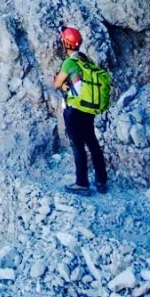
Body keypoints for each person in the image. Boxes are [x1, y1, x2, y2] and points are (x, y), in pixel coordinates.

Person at [54, 26, 108, 195]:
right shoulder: (86, 60)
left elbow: (57, 84)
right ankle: (101, 181)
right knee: (92, 143)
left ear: (65, 44)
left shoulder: (69, 63)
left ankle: (82, 184)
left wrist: (61, 83)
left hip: (74, 110)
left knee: (78, 146)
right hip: (88, 109)